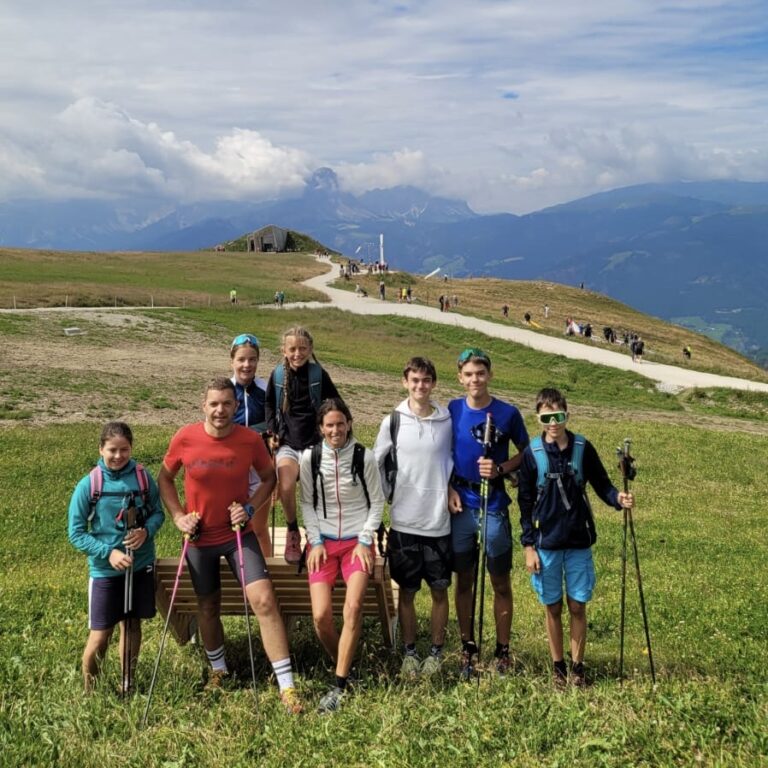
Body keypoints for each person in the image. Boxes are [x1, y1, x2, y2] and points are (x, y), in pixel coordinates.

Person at [158, 378, 303, 713]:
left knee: (264, 600)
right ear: (203, 405)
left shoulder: (250, 440)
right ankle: (219, 671)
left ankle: (287, 687)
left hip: (238, 534)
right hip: (199, 538)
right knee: (208, 607)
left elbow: (269, 479)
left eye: (226, 403)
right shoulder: (185, 437)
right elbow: (165, 478)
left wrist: (250, 508)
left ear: (236, 407)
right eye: (214, 404)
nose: (220, 410)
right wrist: (179, 516)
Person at [517, 388, 635, 688]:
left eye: (558, 416)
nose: (553, 423)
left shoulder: (583, 448)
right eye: (547, 417)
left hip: (579, 540)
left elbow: (602, 484)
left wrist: (617, 499)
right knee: (552, 606)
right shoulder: (532, 453)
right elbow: (525, 502)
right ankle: (558, 668)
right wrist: (528, 546)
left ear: (567, 414)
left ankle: (578, 667)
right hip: (546, 544)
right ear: (539, 417)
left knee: (578, 605)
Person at [448, 348, 529, 677]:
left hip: (493, 503)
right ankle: (467, 646)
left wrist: (500, 468)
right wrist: (448, 488)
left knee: (500, 581)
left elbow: (526, 451)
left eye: (480, 373)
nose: (474, 380)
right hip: (461, 502)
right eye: (468, 374)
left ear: (490, 375)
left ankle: (503, 649)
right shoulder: (452, 409)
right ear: (460, 377)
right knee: (463, 579)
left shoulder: (507, 413)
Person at [300, 398, 384, 713]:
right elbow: (306, 501)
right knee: (321, 617)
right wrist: (315, 540)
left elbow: (377, 502)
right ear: (321, 428)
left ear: (349, 423)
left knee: (353, 608)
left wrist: (365, 541)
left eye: (340, 423)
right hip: (322, 544)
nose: (335, 430)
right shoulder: (311, 457)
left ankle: (338, 686)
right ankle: (347, 666)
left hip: (356, 544)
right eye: (329, 425)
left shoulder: (366, 457)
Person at [68, 421, 164, 693]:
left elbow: (158, 512)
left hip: (140, 566)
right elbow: (75, 533)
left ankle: (127, 683)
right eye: (112, 450)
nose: (118, 456)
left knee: (132, 625)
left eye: (124, 449)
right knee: (101, 635)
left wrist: (147, 531)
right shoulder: (89, 485)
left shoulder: (144, 478)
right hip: (105, 572)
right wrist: (108, 553)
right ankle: (90, 692)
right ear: (101, 449)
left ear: (132, 448)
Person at [373, 357, 454, 679]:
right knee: (406, 592)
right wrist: (378, 507)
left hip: (438, 521)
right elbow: (376, 464)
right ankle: (409, 652)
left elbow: (452, 460)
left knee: (439, 591)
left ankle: (435, 652)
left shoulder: (447, 420)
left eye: (426, 380)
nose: (421, 386)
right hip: (403, 521)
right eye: (415, 380)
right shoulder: (392, 420)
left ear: (434, 383)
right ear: (405, 382)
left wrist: (451, 488)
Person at [265, 326, 341, 564]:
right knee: (286, 486)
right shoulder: (277, 376)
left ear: (310, 349)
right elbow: (269, 405)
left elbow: (336, 402)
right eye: (292, 349)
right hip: (287, 442)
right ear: (284, 350)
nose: (297, 353)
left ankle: (315, 534)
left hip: (314, 443)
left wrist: (334, 429)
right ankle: (292, 531)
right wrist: (271, 431)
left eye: (302, 348)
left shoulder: (319, 375)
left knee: (314, 489)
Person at [229, 333, 272, 557]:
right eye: (241, 360)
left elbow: (277, 427)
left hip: (259, 466)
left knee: (258, 527)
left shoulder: (267, 389)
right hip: (229, 467)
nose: (247, 365)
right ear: (232, 361)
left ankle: (269, 577)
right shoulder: (225, 390)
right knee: (228, 526)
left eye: (252, 359)